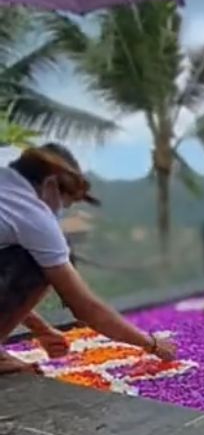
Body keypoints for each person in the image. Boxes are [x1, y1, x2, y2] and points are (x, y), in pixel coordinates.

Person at [0, 143, 177, 377]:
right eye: (65, 204)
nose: (60, 212)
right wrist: (150, 343)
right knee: (42, 261)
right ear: (51, 185)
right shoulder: (32, 214)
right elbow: (85, 307)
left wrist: (42, 330)